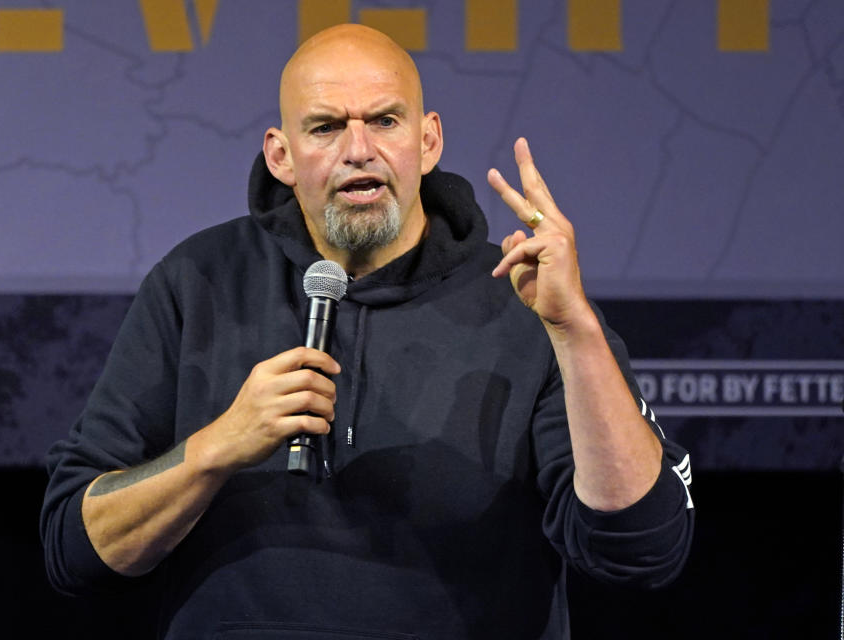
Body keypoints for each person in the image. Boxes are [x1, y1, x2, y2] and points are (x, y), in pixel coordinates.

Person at [41, 24, 694, 639]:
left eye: (385, 120)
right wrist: (217, 448)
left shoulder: (527, 301)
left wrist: (574, 330)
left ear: (429, 140)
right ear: (281, 155)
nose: (360, 150)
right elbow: (77, 549)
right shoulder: (197, 281)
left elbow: (643, 549)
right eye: (325, 127)